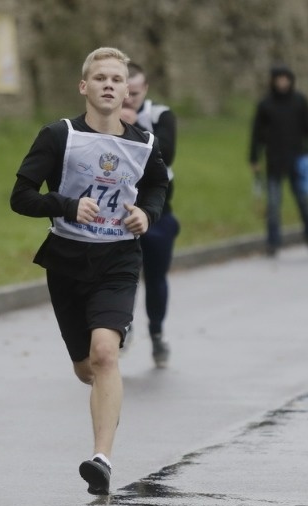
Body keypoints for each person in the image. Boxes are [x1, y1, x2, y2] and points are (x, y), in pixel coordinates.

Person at [9, 47, 169, 495]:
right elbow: (21, 196)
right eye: (99, 78)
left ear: (126, 89)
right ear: (84, 86)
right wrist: (66, 205)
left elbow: (157, 185)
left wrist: (148, 215)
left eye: (116, 79)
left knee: (106, 354)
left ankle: (102, 459)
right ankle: (99, 395)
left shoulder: (144, 143)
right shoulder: (59, 136)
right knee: (86, 368)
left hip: (118, 259)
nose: (108, 85)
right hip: (66, 259)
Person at [121, 62, 179, 368]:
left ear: (145, 89)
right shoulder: (106, 117)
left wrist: (136, 128)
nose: (128, 98)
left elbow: (167, 153)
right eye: (124, 91)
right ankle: (121, 329)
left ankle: (156, 333)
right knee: (121, 276)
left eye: (135, 91)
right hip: (117, 214)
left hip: (157, 213)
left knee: (155, 277)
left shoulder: (159, 115)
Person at [249, 64, 308, 256]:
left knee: (303, 201)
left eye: (285, 78)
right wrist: (254, 157)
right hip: (274, 160)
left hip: (298, 159)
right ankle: (273, 242)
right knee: (273, 204)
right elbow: (257, 134)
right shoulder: (266, 105)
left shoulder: (299, 102)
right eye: (278, 79)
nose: (282, 82)